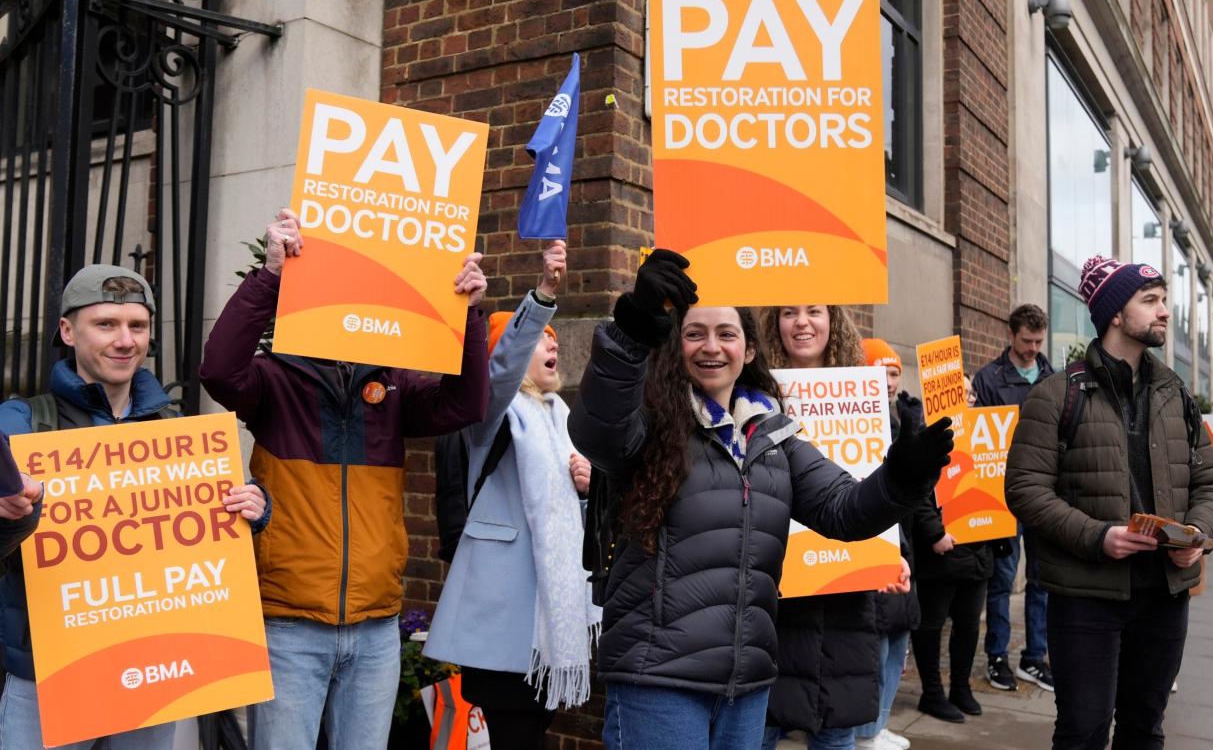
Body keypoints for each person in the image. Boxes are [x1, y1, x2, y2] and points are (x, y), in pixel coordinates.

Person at [567, 251, 955, 749]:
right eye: (694, 333)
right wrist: (633, 329)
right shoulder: (650, 422)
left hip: (745, 686)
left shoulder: (774, 438)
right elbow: (597, 427)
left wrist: (902, 476)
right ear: (674, 345)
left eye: (727, 334)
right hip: (659, 679)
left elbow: (846, 510)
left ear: (749, 350)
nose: (712, 347)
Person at [199, 210, 490, 750]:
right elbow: (218, 371)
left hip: (377, 627)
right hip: (290, 624)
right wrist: (271, 276)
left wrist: (470, 317)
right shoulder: (274, 380)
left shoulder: (393, 382)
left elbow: (466, 403)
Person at [0, 265, 270, 750]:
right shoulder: (20, 423)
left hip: (151, 671)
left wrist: (253, 507)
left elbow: (217, 529)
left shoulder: (182, 430)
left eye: (137, 326)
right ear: (67, 330)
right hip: (50, 675)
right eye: (105, 324)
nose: (124, 340)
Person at [1006, 255, 1213, 749]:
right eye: (1150, 301)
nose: (1165, 312)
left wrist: (1199, 535)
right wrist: (1097, 536)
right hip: (1087, 598)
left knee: (1144, 729)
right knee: (1083, 731)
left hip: (1164, 597)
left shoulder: (1176, 394)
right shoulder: (1054, 395)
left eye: (1164, 300)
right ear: (1114, 313)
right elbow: (1025, 489)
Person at [424, 241, 599, 749]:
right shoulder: (490, 413)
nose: (552, 344)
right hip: (505, 617)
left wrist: (589, 488)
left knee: (531, 732)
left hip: (550, 613)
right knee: (514, 733)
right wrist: (544, 294)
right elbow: (498, 375)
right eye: (538, 340)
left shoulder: (559, 414)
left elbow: (575, 511)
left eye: (553, 338)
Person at [757, 305, 884, 750]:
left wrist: (894, 557)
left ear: (834, 320)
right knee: (759, 727)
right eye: (789, 312)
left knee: (835, 730)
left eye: (814, 310)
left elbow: (880, 485)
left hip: (844, 590)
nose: (802, 322)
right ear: (774, 324)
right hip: (775, 587)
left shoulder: (867, 396)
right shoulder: (752, 395)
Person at [973, 304, 1056, 693]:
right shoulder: (989, 379)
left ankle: (1035, 657)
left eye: (1039, 342)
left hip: (1044, 493)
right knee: (1002, 579)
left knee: (1042, 579)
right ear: (1011, 334)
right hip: (1002, 495)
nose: (1033, 349)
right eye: (1026, 341)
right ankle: (997, 656)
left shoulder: (1052, 376)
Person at [906, 367, 995, 723]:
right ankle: (932, 693)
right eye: (960, 393)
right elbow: (916, 491)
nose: (967, 399)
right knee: (931, 624)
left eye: (971, 394)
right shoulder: (925, 437)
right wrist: (933, 533)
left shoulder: (984, 438)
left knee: (969, 624)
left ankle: (961, 687)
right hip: (942, 548)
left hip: (978, 548)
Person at [855, 338, 922, 750]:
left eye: (895, 373)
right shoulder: (858, 421)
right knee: (877, 647)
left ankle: (876, 724)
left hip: (901, 543)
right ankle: (865, 731)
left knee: (897, 641)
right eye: (882, 371)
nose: (890, 381)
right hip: (869, 544)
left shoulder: (898, 423)